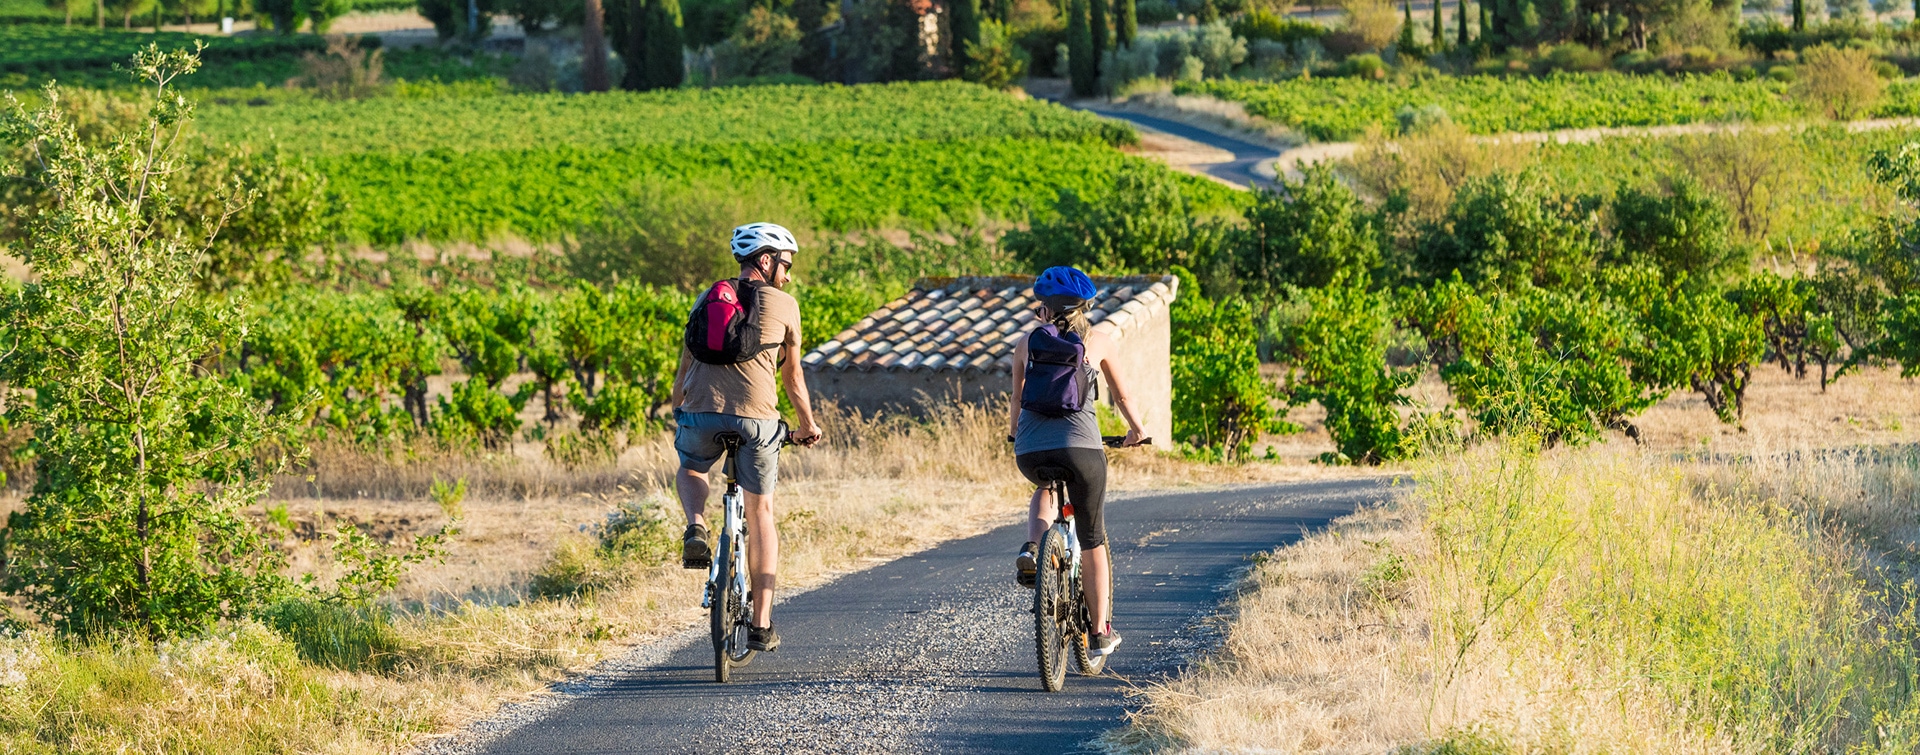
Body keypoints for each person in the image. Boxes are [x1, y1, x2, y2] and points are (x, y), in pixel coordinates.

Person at [671, 222, 823, 654]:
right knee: (761, 512)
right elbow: (792, 376)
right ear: (766, 260)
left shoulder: (707, 297)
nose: (788, 274)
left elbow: (684, 368)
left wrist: (682, 405)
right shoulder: (786, 305)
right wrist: (807, 425)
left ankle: (696, 526)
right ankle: (760, 624)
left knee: (692, 466)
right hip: (756, 421)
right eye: (786, 264)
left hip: (699, 412)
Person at [1009, 266, 1147, 659]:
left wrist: (1017, 434)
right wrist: (1136, 430)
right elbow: (1123, 396)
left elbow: (1017, 402)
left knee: (1045, 488)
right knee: (1092, 539)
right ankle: (1100, 632)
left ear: (1044, 307)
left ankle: (1034, 547)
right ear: (1086, 305)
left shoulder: (1026, 344)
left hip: (1032, 451)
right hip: (1083, 451)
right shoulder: (1098, 341)